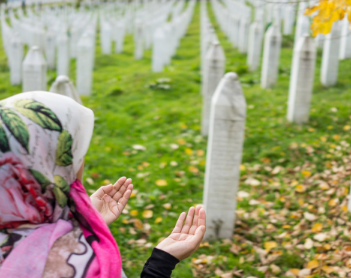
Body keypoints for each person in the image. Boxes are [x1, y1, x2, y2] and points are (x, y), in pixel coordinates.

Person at [0, 91, 206, 278]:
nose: (80, 163)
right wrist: (162, 262)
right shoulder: (74, 265)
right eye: (75, 156)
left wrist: (85, 223)